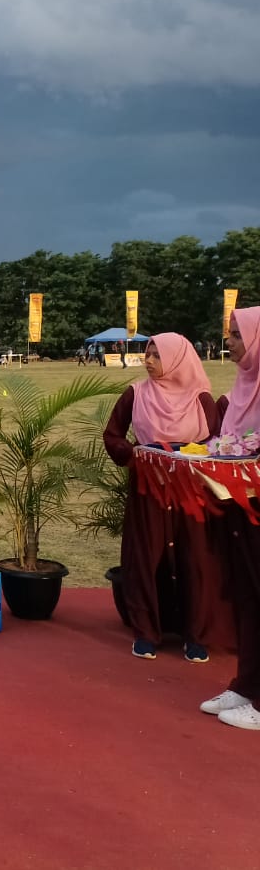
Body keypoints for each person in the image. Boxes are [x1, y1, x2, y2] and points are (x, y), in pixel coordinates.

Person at [103, 333, 227, 661]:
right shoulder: (136, 394)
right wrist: (133, 454)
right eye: (148, 353)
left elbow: (216, 442)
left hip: (191, 491)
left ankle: (196, 634)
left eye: (157, 355)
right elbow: (112, 434)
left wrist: (193, 457)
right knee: (146, 554)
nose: (148, 360)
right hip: (149, 488)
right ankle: (146, 632)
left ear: (176, 359)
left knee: (195, 557)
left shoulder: (201, 399)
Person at [201, 307, 260, 730]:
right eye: (231, 333)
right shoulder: (244, 386)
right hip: (242, 507)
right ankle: (247, 684)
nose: (230, 342)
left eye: (238, 334)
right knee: (248, 597)